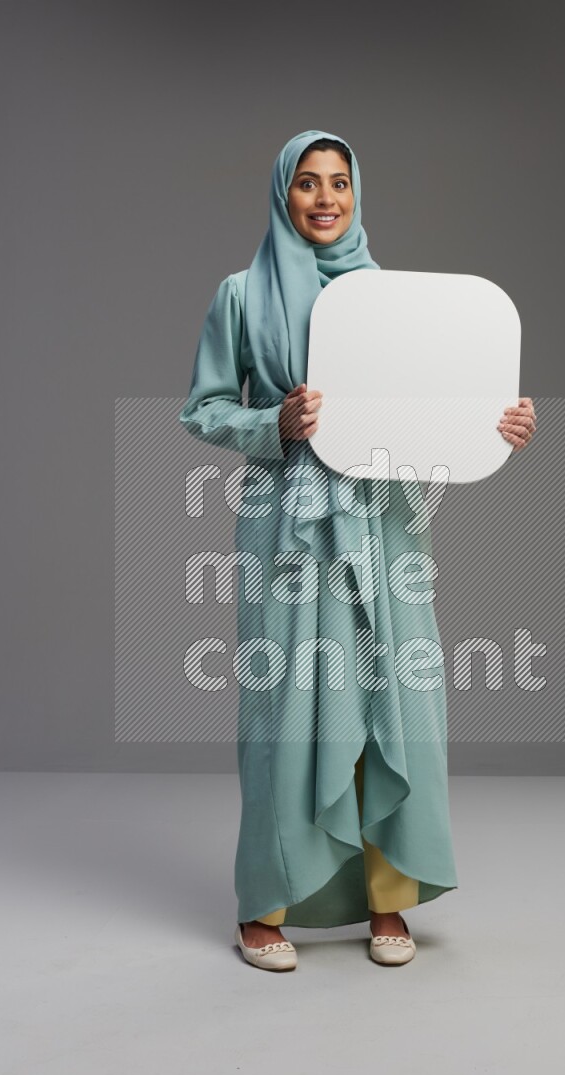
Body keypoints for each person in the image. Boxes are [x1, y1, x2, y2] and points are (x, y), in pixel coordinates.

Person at [179, 129, 536, 970]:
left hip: (384, 521)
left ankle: (389, 899)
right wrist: (274, 422)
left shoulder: (392, 301)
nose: (326, 198)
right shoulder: (241, 294)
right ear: (282, 193)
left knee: (392, 705)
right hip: (288, 528)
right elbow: (201, 409)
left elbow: (438, 405)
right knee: (286, 711)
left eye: (340, 182)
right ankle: (263, 906)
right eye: (308, 183)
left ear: (357, 193)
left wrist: (500, 422)